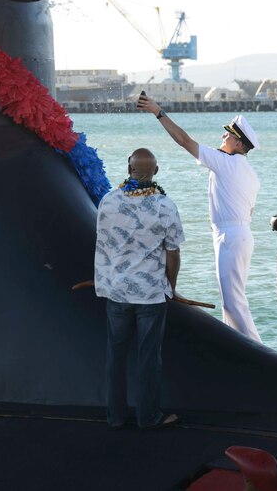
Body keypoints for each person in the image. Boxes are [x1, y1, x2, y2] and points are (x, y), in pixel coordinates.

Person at [137, 94, 262, 342]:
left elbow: (183, 140)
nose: (222, 137)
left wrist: (158, 111)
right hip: (241, 235)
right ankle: (238, 348)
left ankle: (257, 352)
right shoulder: (249, 171)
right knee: (232, 299)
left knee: (233, 302)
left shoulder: (227, 162)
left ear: (239, 145)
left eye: (227, 135)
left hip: (230, 236)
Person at [94, 148, 185, 430]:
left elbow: (104, 243)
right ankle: (149, 417)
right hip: (149, 294)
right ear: (155, 172)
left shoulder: (108, 202)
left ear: (128, 168)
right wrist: (172, 286)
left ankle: (116, 417)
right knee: (148, 358)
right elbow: (173, 253)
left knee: (116, 357)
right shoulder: (165, 205)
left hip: (116, 291)